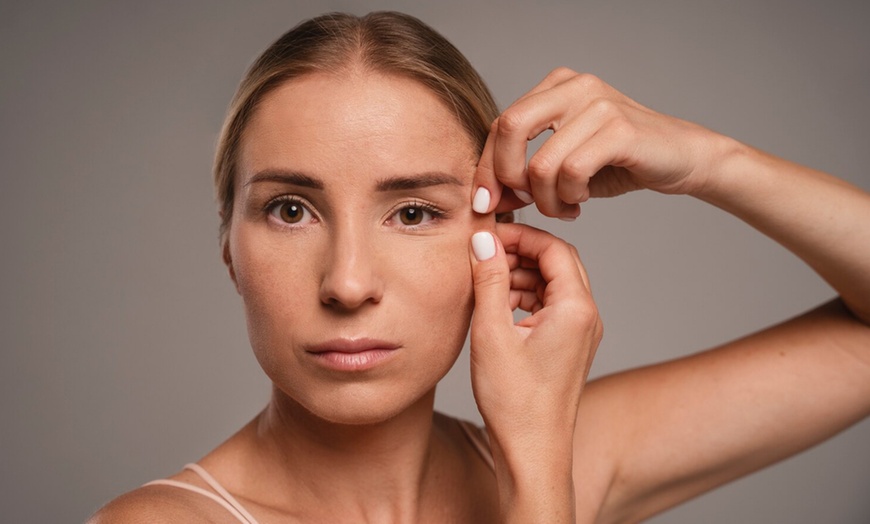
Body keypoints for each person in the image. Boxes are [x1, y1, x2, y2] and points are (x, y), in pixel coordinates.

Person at [90, 11, 870, 523]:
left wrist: (709, 160)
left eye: (413, 212)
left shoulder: (554, 452)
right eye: (291, 209)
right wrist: (538, 485)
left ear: (491, 240)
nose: (349, 283)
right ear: (229, 244)